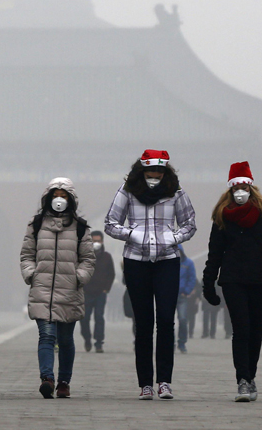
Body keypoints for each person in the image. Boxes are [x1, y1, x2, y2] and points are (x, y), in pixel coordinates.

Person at [104, 149, 196, 401]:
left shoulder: (176, 192)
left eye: (158, 171)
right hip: (136, 261)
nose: (154, 175)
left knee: (166, 320)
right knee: (143, 323)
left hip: (167, 260)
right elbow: (110, 223)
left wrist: (174, 238)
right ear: (140, 171)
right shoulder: (127, 191)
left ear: (166, 172)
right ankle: (145, 383)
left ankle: (164, 381)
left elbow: (189, 223)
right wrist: (132, 234)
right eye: (149, 171)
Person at [202, 161, 262, 403]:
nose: (240, 192)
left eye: (244, 187)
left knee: (255, 331)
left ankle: (251, 376)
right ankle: (242, 380)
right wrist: (208, 283)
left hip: (259, 279)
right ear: (230, 190)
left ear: (251, 188)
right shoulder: (222, 216)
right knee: (241, 330)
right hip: (232, 280)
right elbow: (214, 253)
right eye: (236, 188)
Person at [20, 178, 95, 399]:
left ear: (70, 199)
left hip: (68, 290)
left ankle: (64, 381)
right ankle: (47, 379)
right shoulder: (36, 224)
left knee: (65, 340)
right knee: (46, 336)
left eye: (63, 195)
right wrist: (31, 274)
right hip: (42, 288)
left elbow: (88, 259)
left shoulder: (80, 227)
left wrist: (78, 277)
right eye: (55, 195)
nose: (59, 200)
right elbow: (26, 255)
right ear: (48, 198)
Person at [80, 231, 115, 353]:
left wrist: (106, 288)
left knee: (99, 317)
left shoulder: (106, 257)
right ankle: (87, 338)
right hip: (86, 292)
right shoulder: (83, 257)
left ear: (102, 241)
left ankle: (99, 342)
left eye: (98, 241)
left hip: (101, 292)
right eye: (93, 241)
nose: (96, 243)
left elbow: (111, 274)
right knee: (84, 318)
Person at [176, 246, 197, 353]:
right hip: (168, 295)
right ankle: (168, 343)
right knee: (166, 321)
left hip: (181, 296)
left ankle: (182, 342)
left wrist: (187, 291)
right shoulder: (168, 262)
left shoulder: (188, 263)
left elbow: (192, 278)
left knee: (183, 319)